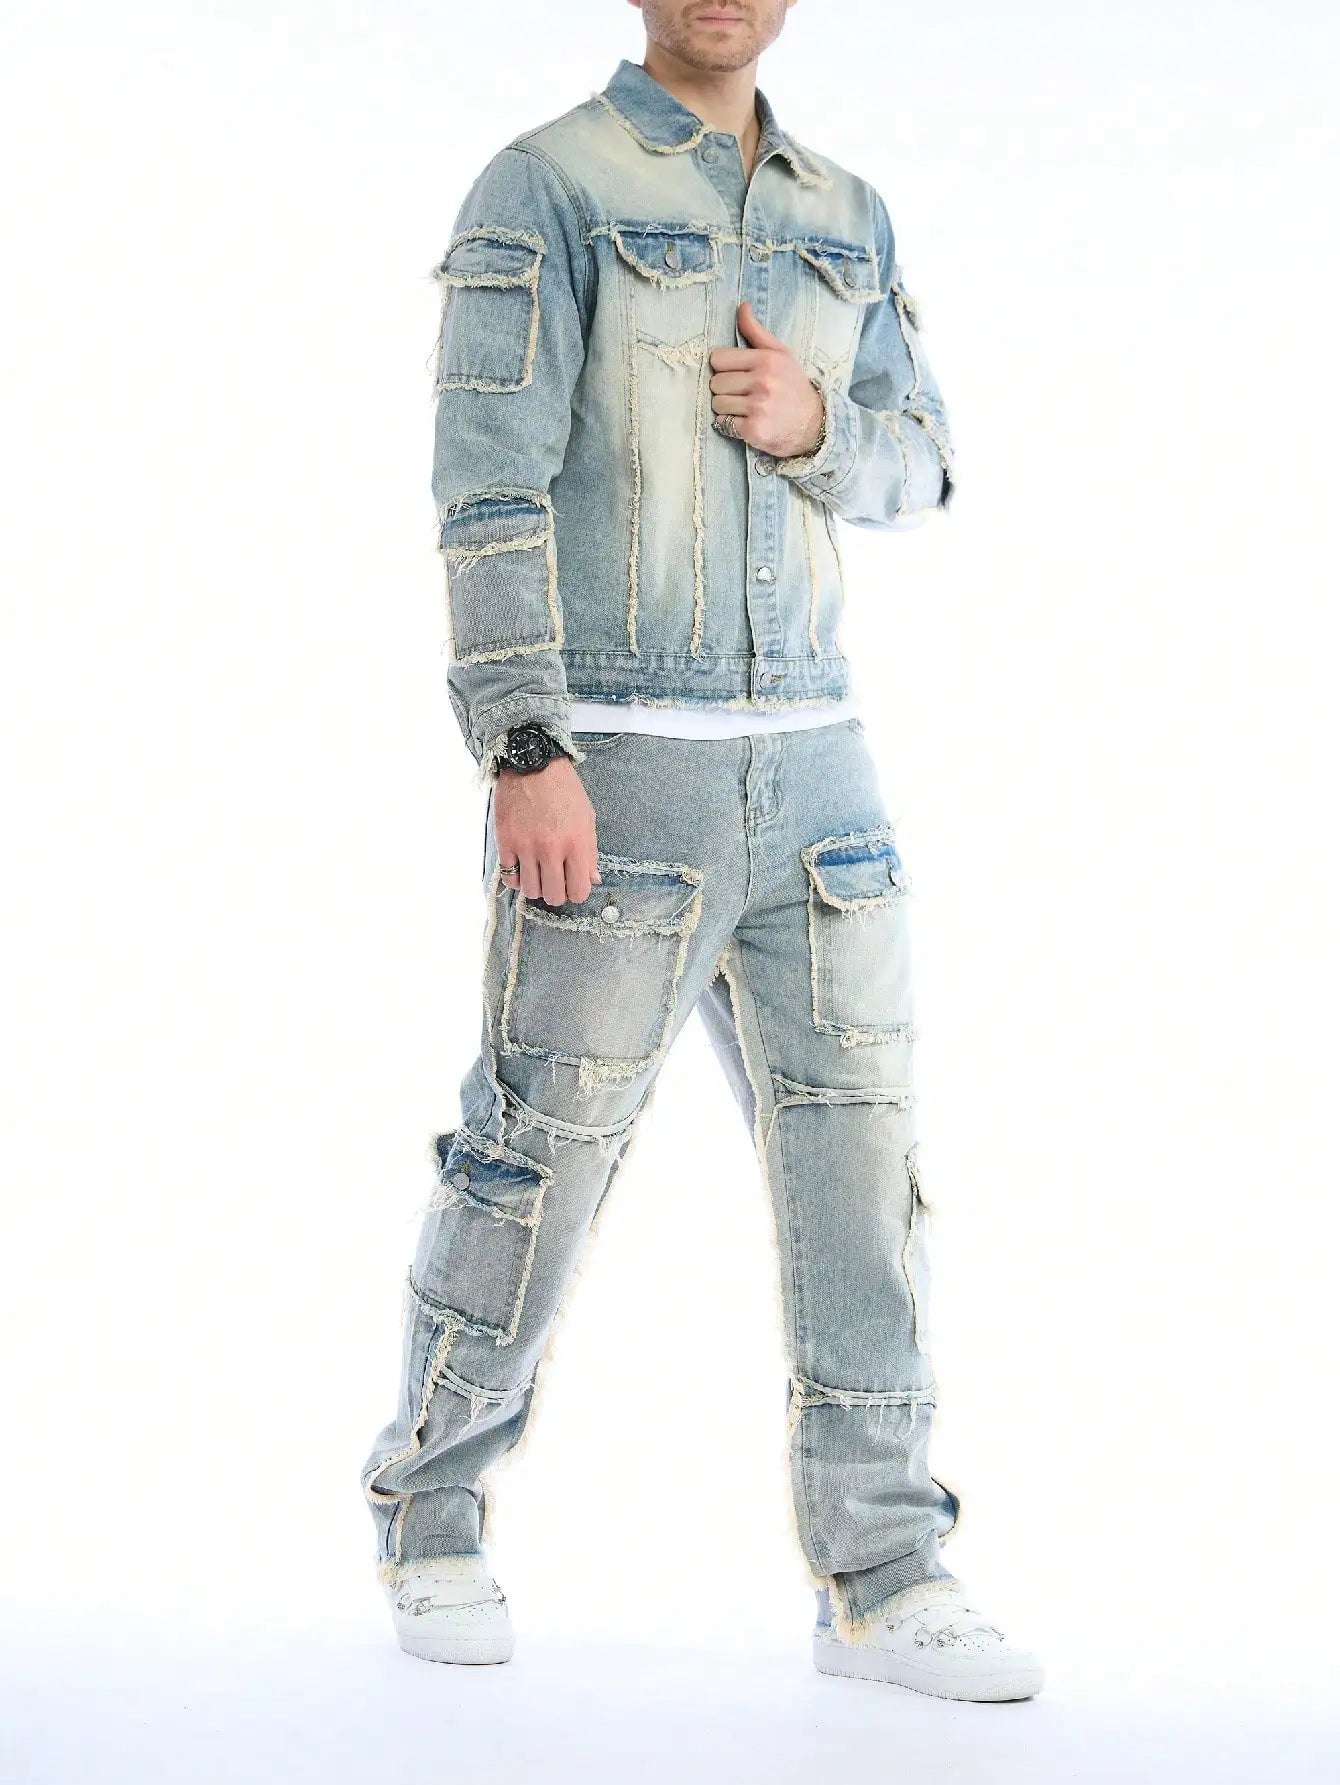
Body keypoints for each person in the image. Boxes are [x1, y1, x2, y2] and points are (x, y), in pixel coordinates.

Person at [360, 0, 1044, 1702]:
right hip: (623, 767)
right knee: (534, 1159)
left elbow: (924, 464)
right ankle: (431, 1512)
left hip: (821, 773)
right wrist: (524, 743)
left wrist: (818, 426)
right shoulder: (545, 186)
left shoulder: (848, 212)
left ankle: (883, 1572)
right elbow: (486, 486)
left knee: (862, 1179)